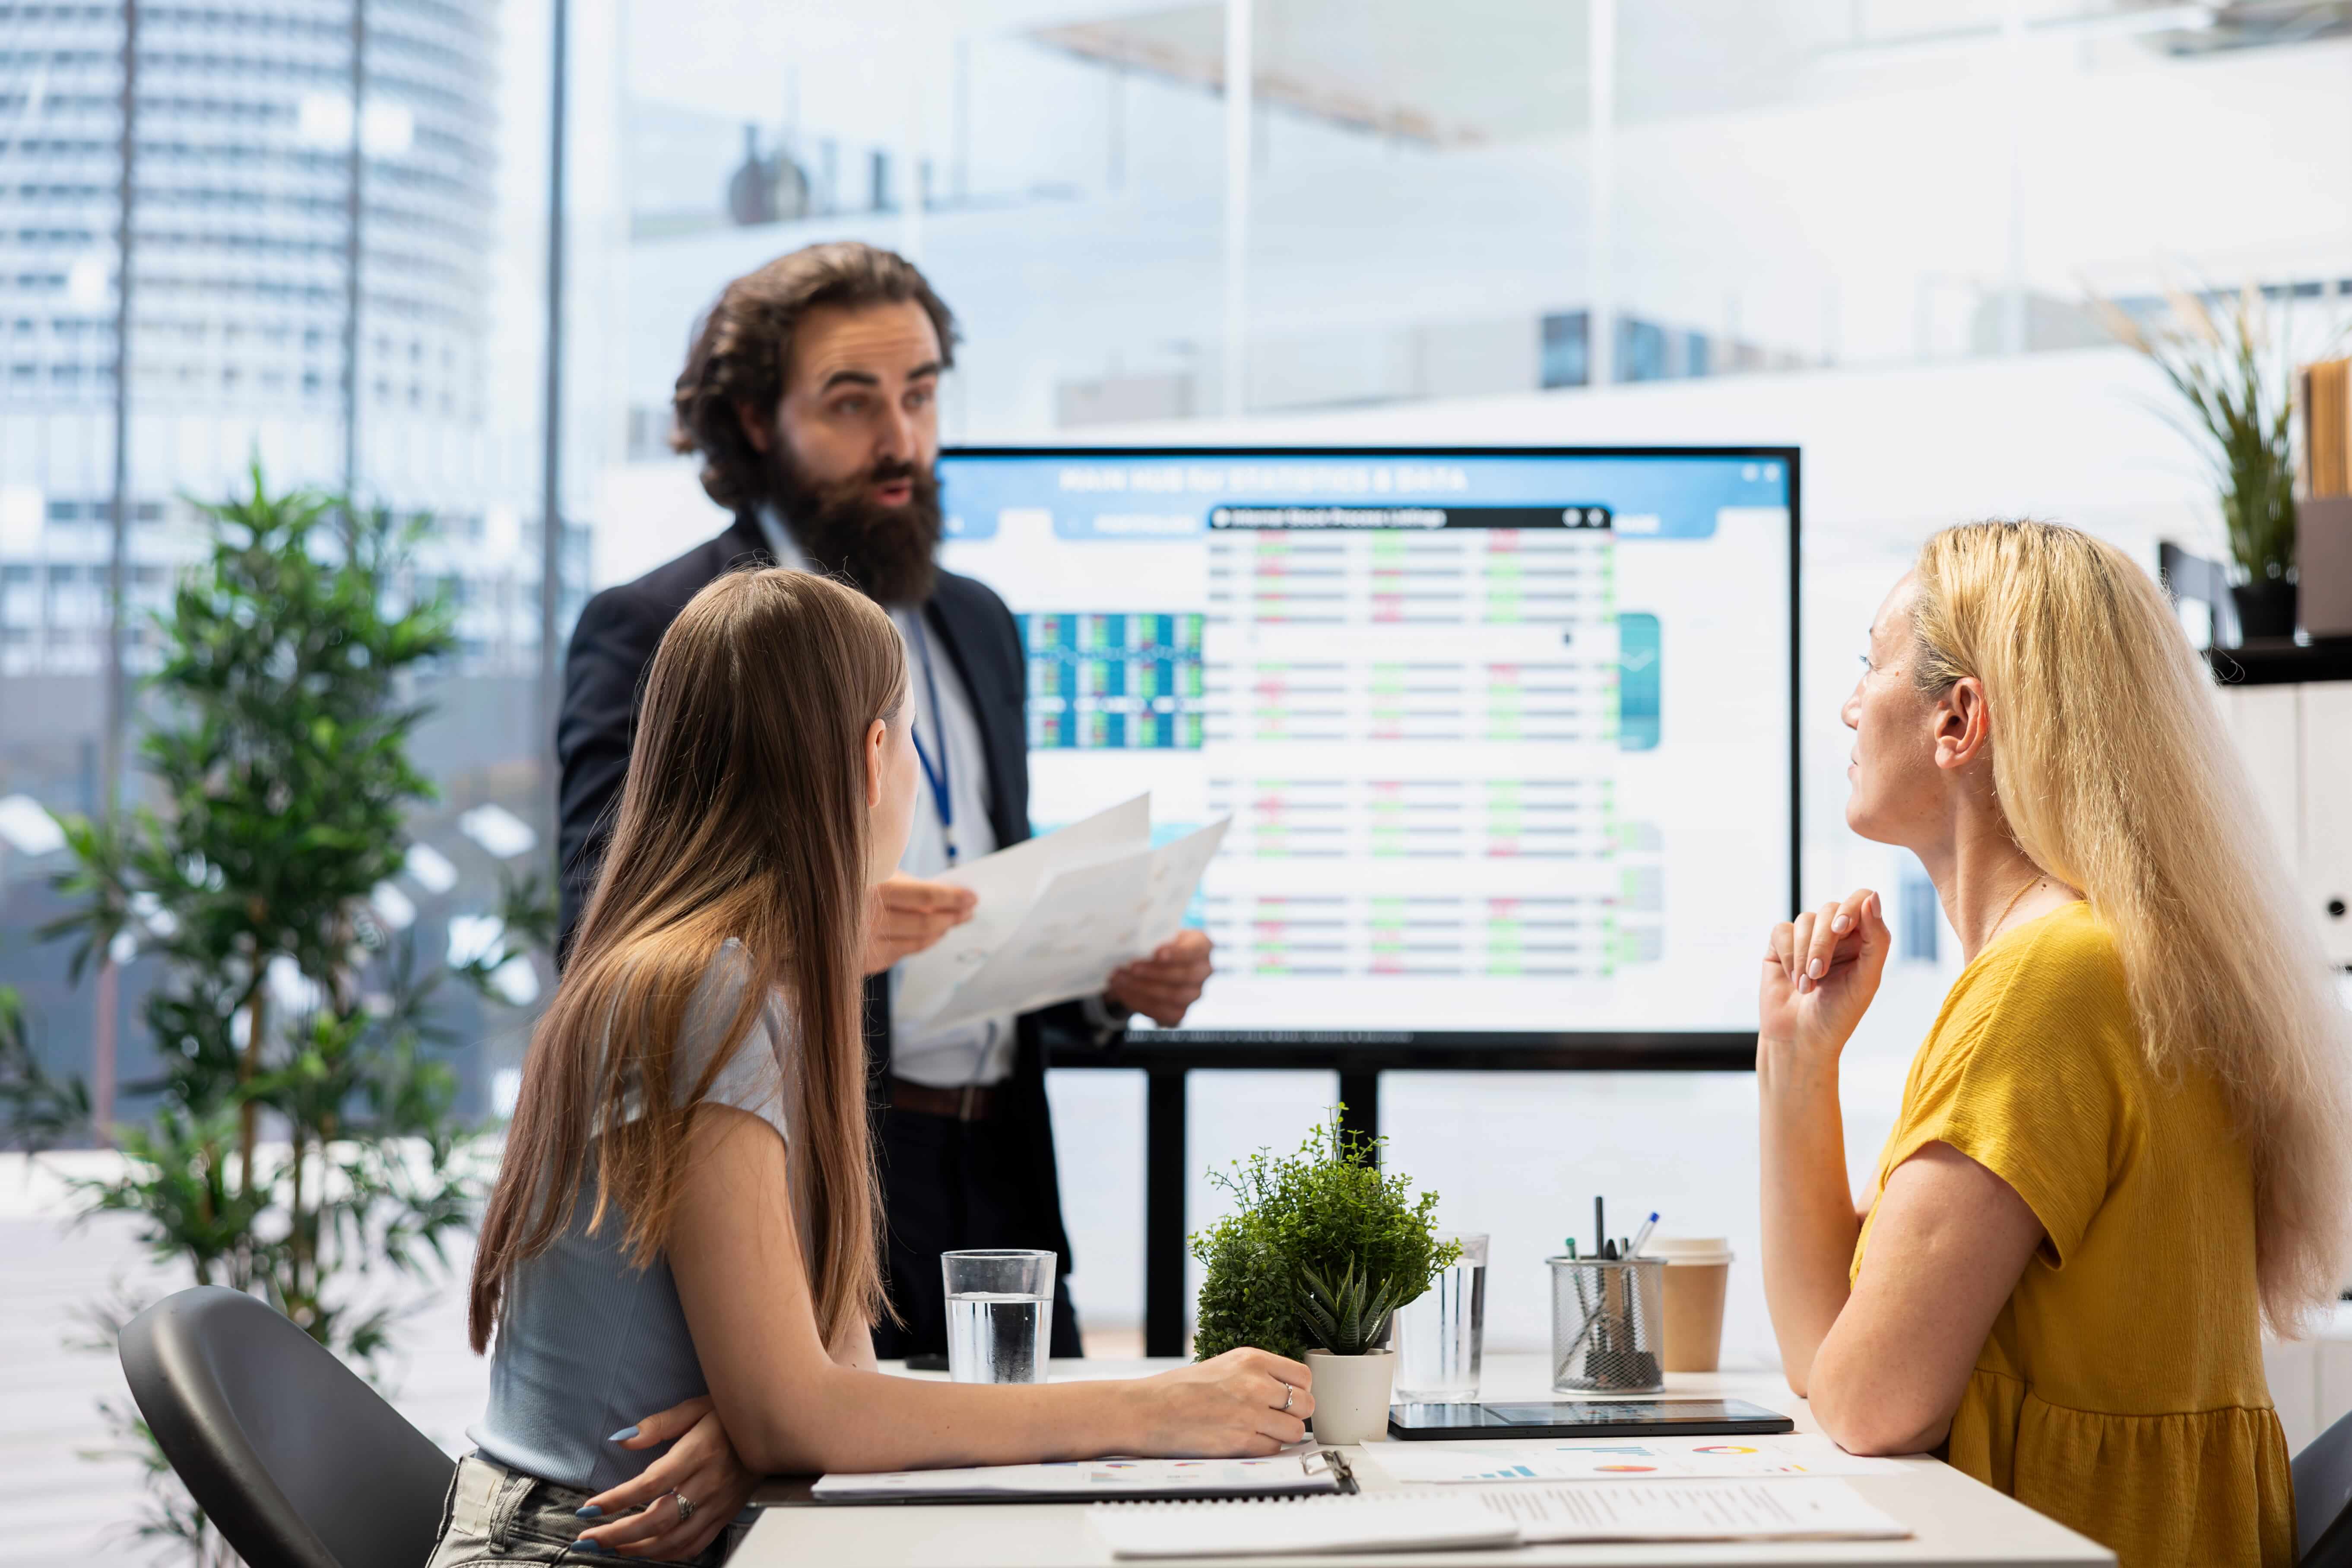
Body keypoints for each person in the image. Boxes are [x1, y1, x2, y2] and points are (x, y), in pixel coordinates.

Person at [435, 568, 1312, 1567]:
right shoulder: (706, 994)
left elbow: (823, 1373)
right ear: (873, 756)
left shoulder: (747, 980)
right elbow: (802, 1407)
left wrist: (768, 1414)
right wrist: (1151, 1408)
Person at [555, 241, 1215, 1359]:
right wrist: (806, 940)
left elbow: (986, 905)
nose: (901, 441)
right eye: (853, 403)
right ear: (758, 421)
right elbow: (600, 933)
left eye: (918, 395)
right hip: (802, 1165)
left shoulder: (976, 622)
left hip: (1000, 1168)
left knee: (1033, 1504)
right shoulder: (660, 628)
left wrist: (1103, 977)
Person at [1756, 519, 2352, 1568]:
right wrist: (1797, 1060)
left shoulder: (2053, 983)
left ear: (1957, 719)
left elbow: (1862, 1401)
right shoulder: (2094, 958)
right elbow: (1829, 1354)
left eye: (1869, 664)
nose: (1850, 705)